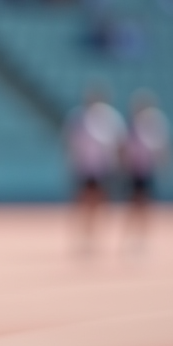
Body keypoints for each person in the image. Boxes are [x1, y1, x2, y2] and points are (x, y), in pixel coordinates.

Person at [64, 84, 126, 257]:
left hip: (104, 168)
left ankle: (95, 237)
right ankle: (84, 236)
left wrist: (120, 164)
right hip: (85, 168)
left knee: (100, 203)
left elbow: (119, 143)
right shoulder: (79, 117)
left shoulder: (111, 117)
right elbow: (71, 143)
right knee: (84, 202)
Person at [121, 89, 172, 254]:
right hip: (135, 170)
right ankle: (130, 237)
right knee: (135, 204)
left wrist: (165, 165)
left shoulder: (153, 122)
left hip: (146, 169)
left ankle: (141, 237)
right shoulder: (132, 124)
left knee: (144, 204)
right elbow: (124, 149)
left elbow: (162, 146)